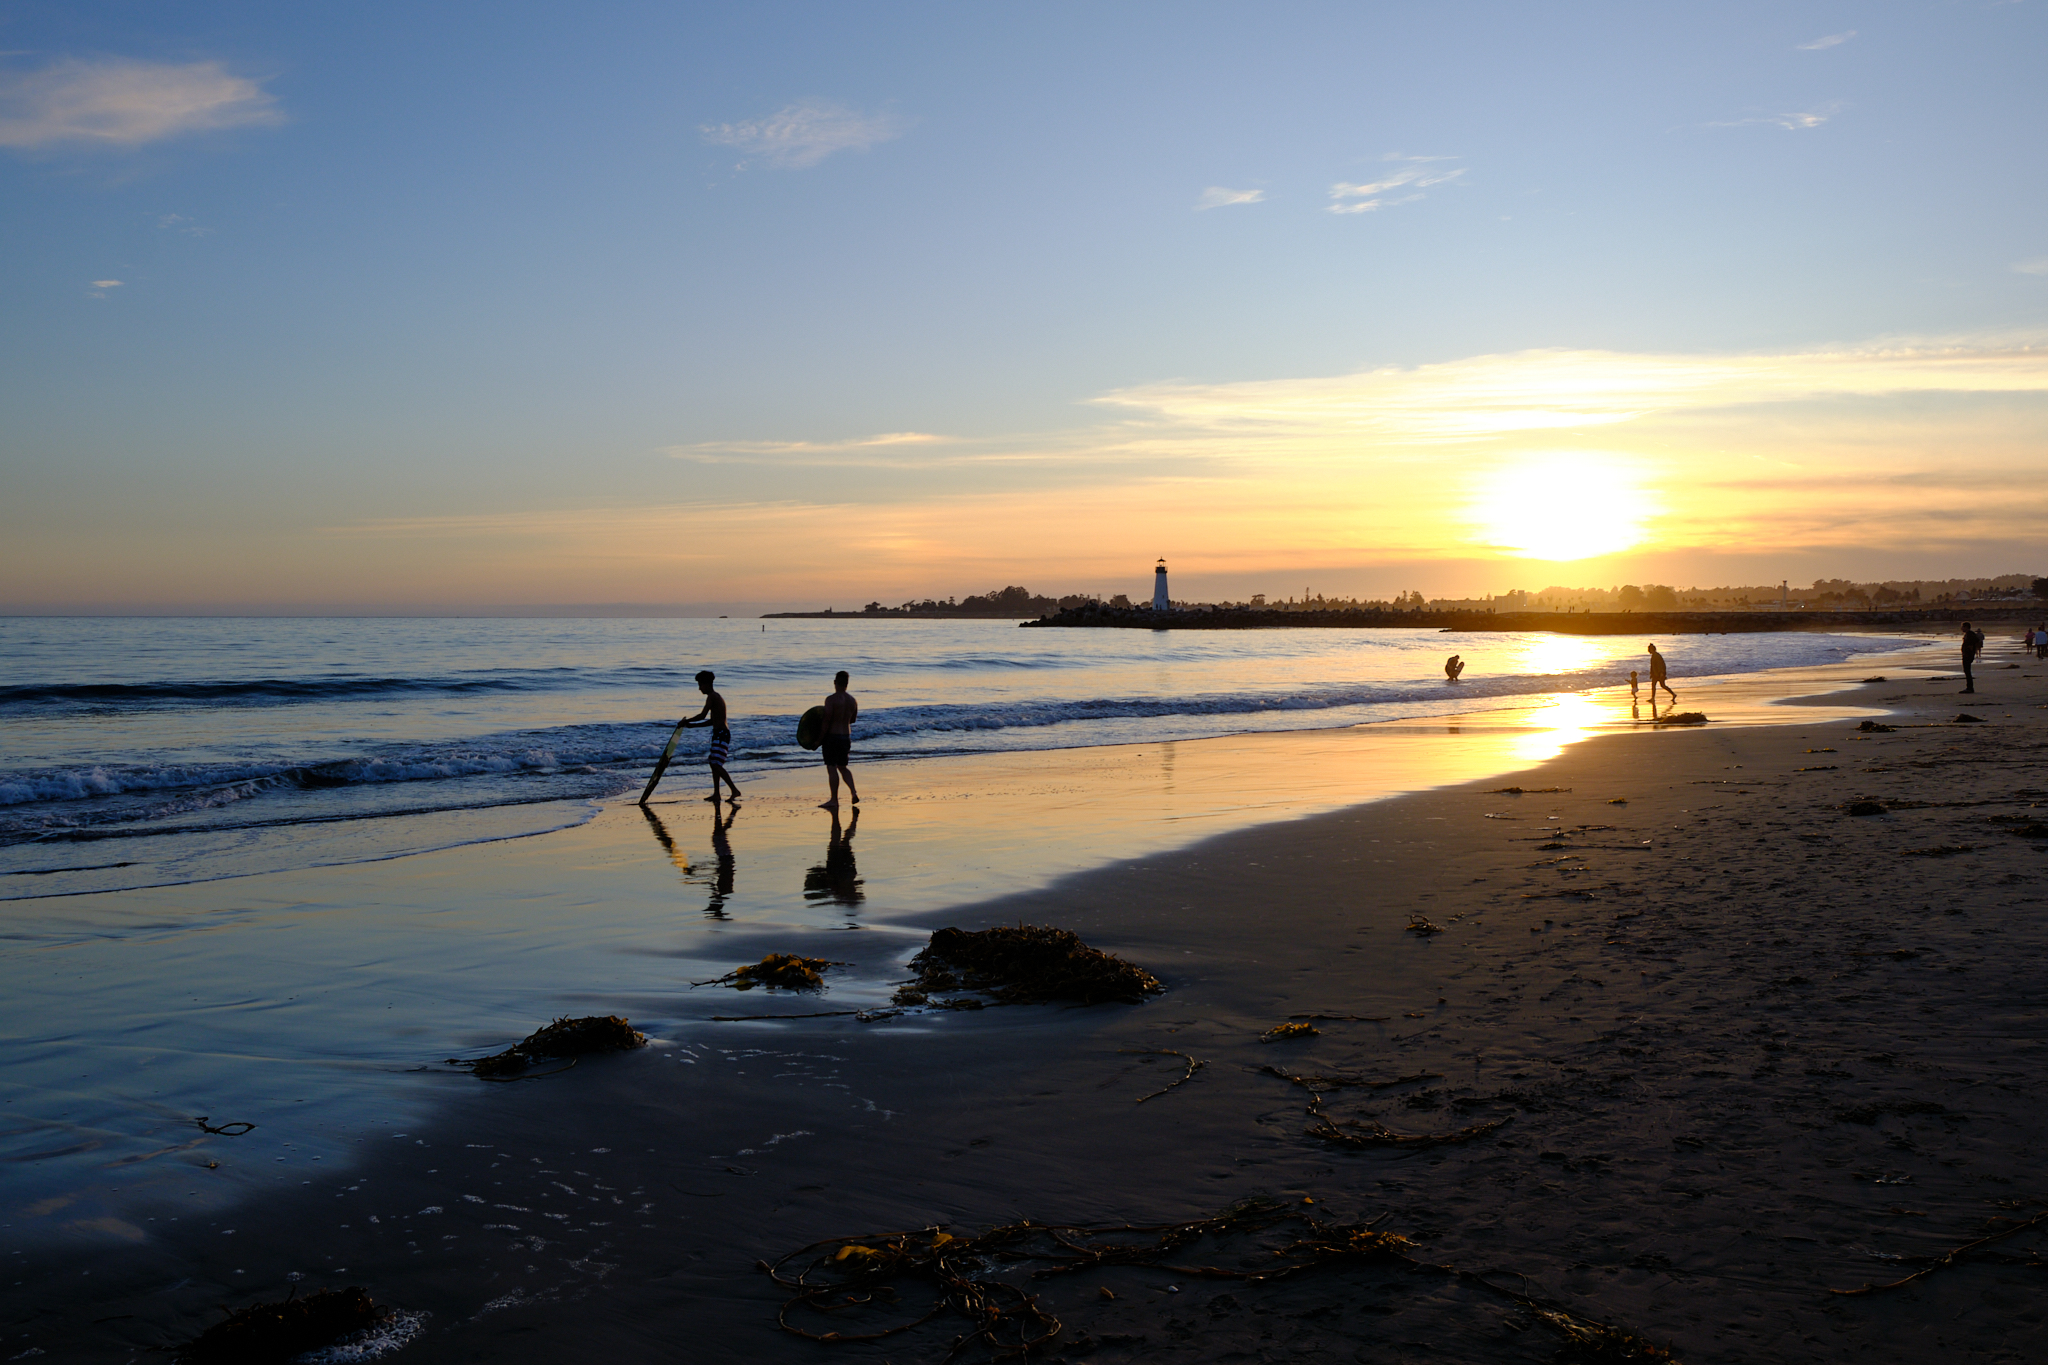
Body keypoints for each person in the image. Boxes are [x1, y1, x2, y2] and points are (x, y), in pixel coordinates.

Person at [680, 669, 740, 801]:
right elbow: (712, 721)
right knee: (713, 763)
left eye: (700, 685)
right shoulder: (716, 697)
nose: (699, 688)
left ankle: (734, 790)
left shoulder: (712, 697)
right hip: (719, 733)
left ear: (707, 684)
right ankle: (717, 793)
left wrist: (686, 721)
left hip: (721, 734)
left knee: (716, 764)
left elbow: (702, 715)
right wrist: (692, 726)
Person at [818, 669, 859, 811]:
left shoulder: (831, 700)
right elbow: (852, 720)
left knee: (831, 767)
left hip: (832, 737)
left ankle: (834, 800)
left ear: (835, 682)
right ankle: (853, 792)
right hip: (846, 737)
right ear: (847, 684)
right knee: (843, 767)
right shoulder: (853, 700)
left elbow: (826, 720)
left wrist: (819, 739)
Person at [1960, 621, 1984, 694]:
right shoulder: (1968, 634)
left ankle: (1970, 688)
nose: (1961, 628)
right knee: (1966, 671)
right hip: (1967, 654)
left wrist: (1971, 649)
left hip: (1968, 655)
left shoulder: (1970, 634)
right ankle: (1969, 687)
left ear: (1966, 627)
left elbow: (1976, 641)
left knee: (1967, 671)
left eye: (1962, 627)